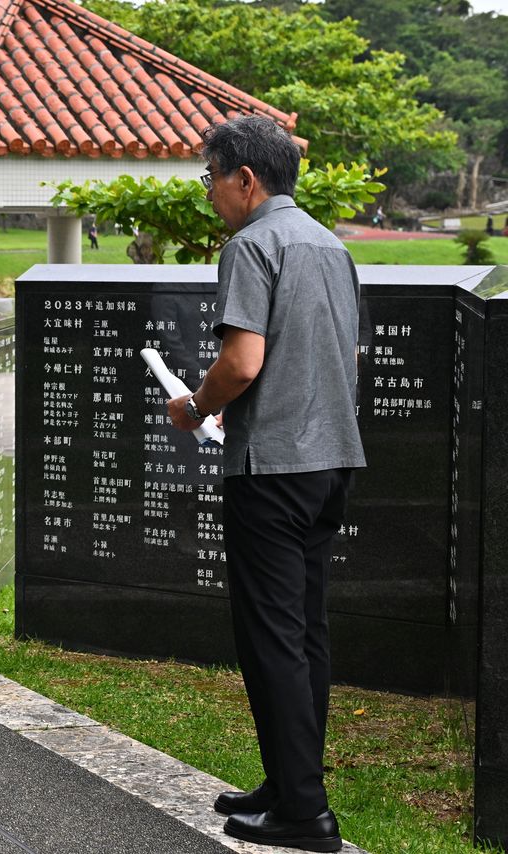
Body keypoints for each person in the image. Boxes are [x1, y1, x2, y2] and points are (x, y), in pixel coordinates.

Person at [169, 115, 365, 853]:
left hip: (273, 468)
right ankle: (288, 783)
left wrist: (195, 407)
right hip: (330, 462)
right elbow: (345, 357)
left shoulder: (251, 245)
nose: (209, 192)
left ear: (244, 179)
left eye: (210, 177)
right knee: (305, 632)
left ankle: (304, 813)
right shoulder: (330, 245)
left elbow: (242, 362)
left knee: (272, 638)